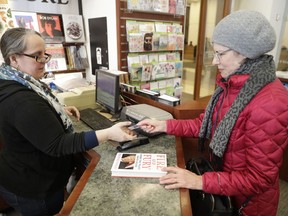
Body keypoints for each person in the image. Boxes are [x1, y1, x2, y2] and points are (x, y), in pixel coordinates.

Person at [138, 10, 288, 216]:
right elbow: (206, 124)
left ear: (245, 52)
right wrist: (165, 125)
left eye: (221, 54)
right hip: (226, 192)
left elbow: (259, 179)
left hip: (249, 206)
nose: (215, 62)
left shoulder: (270, 103)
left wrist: (199, 181)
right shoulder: (232, 84)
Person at [0, 27, 136, 216]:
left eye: (44, 54)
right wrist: (109, 133)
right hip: (34, 188)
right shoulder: (21, 100)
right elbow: (58, 144)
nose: (44, 62)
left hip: (20, 173)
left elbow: (30, 118)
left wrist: (55, 111)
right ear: (14, 58)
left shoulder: (12, 81)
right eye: (36, 56)